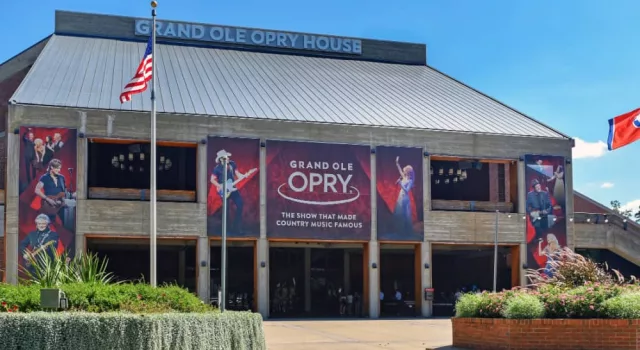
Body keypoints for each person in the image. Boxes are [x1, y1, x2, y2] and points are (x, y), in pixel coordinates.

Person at [210, 149, 256, 234]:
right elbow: (212, 179)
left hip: (233, 188)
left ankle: (236, 228)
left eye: (227, 156)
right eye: (225, 157)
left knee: (240, 204)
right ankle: (226, 230)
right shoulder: (217, 168)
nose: (228, 158)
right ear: (221, 159)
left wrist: (244, 176)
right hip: (224, 190)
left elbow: (238, 174)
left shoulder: (232, 164)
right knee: (226, 209)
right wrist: (219, 186)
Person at [35, 159, 69, 225]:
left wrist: (63, 199)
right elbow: (37, 190)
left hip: (60, 203)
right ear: (52, 167)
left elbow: (64, 190)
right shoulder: (44, 177)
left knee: (65, 222)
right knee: (48, 223)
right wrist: (48, 199)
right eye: (57, 168)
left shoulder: (61, 177)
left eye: (60, 168)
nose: (59, 170)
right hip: (49, 203)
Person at [393, 156, 415, 235]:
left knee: (404, 214)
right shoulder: (404, 177)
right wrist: (397, 163)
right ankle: (399, 230)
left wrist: (400, 184)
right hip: (400, 196)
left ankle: (405, 231)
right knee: (399, 213)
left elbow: (406, 190)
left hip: (405, 197)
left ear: (408, 172)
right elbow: (399, 170)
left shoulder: (410, 181)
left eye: (405, 171)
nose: (404, 172)